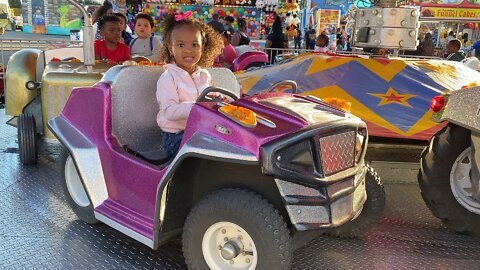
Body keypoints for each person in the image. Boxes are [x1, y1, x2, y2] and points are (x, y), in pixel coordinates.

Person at [156, 12, 222, 157]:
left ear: (203, 47)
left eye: (194, 44)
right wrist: (198, 107)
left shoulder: (205, 75)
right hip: (176, 136)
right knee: (209, 152)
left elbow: (210, 96)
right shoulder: (168, 77)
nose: (188, 50)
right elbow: (169, 111)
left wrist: (217, 99)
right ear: (170, 47)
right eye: (180, 45)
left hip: (202, 131)